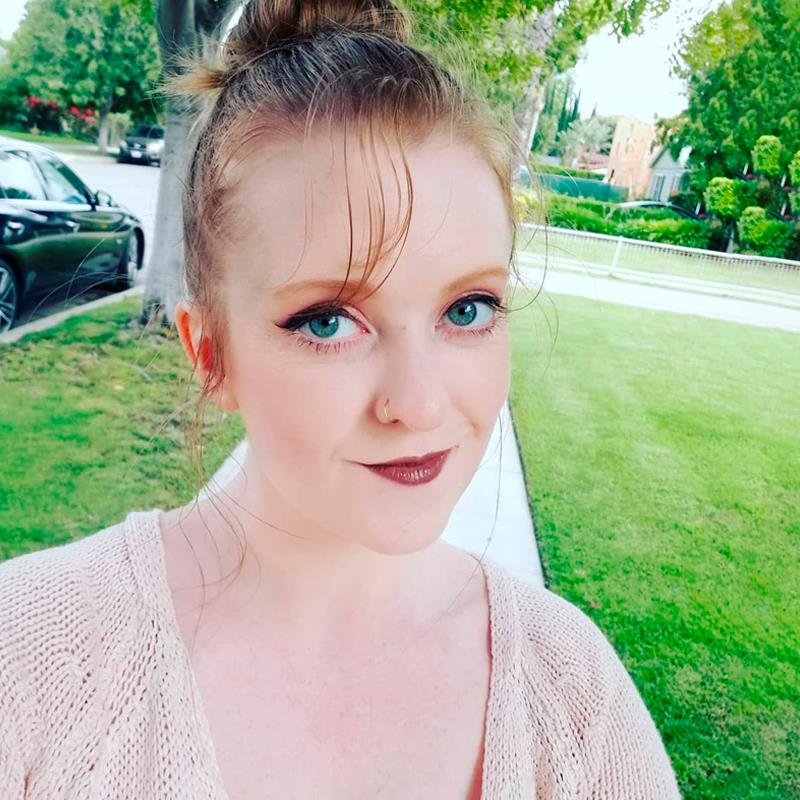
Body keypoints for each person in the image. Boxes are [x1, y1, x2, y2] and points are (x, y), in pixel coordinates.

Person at [0, 1, 682, 797]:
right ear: (212, 356)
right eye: (328, 322)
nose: (419, 406)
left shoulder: (574, 694)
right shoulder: (30, 658)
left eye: (468, 310)